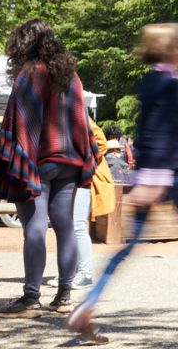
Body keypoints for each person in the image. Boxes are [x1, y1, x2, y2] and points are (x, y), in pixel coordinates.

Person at [68, 23, 178, 342]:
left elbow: (152, 133)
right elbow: (161, 134)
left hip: (152, 172)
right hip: (168, 175)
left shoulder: (151, 81)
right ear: (173, 50)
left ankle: (88, 306)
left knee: (130, 246)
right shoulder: (169, 84)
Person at [0, 20, 99, 318]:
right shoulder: (71, 76)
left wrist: (15, 159)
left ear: (24, 44)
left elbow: (18, 122)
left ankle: (30, 299)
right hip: (70, 159)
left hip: (37, 162)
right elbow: (81, 120)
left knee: (35, 228)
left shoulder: (29, 74)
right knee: (64, 227)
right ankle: (64, 297)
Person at [47, 119, 115, 290]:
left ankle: (85, 273)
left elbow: (101, 143)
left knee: (77, 225)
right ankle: (69, 273)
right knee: (67, 225)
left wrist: (84, 163)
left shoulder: (74, 109)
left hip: (83, 179)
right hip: (69, 178)